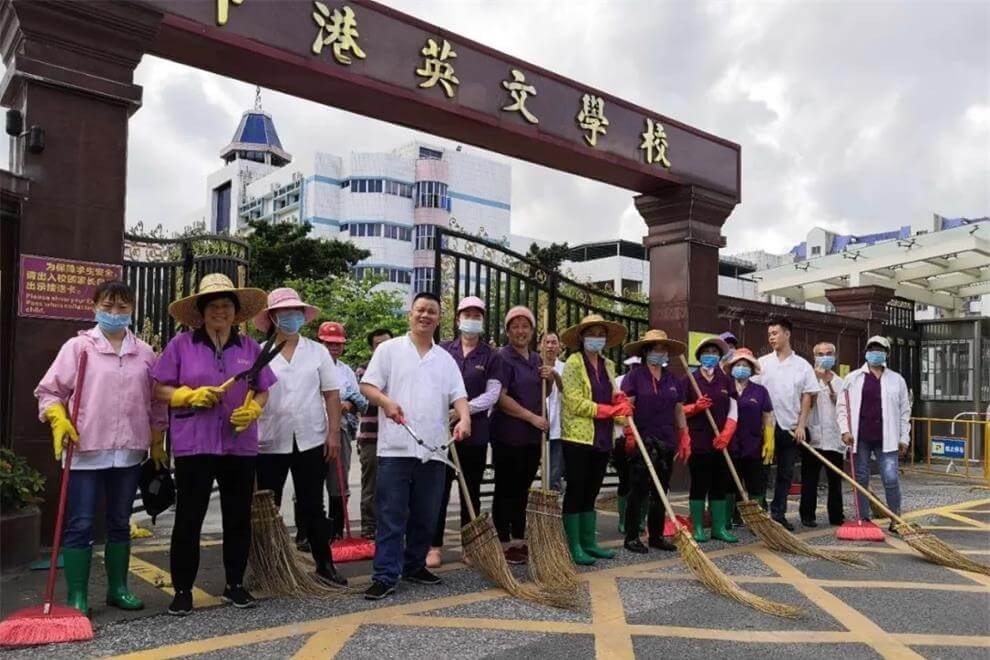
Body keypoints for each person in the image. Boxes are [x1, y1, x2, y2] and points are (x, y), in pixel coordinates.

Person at [34, 280, 168, 615]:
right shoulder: (78, 349)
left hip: (128, 453)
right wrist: (57, 417)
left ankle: (118, 590)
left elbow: (157, 403)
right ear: (94, 307)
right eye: (107, 306)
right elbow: (49, 391)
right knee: (80, 523)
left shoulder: (145, 354)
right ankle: (77, 595)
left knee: (120, 522)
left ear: (132, 310)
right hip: (85, 452)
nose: (114, 313)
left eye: (122, 307)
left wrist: (157, 441)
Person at [152, 274, 274, 615]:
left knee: (238, 517)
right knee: (189, 518)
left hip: (239, 444)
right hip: (195, 443)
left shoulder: (250, 348)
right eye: (213, 306)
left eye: (226, 306)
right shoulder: (181, 345)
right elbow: (159, 388)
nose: (220, 311)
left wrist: (253, 409)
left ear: (236, 313)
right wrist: (185, 394)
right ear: (201, 312)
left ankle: (235, 584)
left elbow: (263, 388)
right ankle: (182, 590)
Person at [359, 292, 471, 600]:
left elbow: (458, 395)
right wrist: (386, 402)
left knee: (426, 514)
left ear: (439, 318)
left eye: (432, 312)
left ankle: (414, 565)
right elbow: (367, 385)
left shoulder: (445, 359)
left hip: (434, 449)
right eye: (420, 310)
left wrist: (464, 419)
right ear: (411, 314)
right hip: (395, 449)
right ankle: (385, 574)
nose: (425, 316)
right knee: (391, 514)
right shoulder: (389, 350)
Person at [252, 288, 347, 587]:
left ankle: (324, 564)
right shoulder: (258, 352)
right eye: (284, 312)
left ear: (303, 317)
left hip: (311, 437)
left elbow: (331, 394)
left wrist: (333, 433)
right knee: (268, 505)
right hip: (269, 439)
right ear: (272, 317)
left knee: (312, 504)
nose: (290, 317)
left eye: (295, 312)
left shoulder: (317, 351)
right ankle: (266, 567)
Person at [428, 296, 504, 568]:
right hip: (441, 433)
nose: (472, 319)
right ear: (458, 319)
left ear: (483, 320)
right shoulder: (443, 350)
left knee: (470, 490)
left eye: (477, 315)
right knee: (439, 489)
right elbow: (433, 384)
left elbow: (492, 395)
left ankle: (469, 546)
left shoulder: (491, 356)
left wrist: (462, 411)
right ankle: (434, 545)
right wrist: (444, 411)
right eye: (467, 314)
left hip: (475, 433)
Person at [559, 313, 630, 565]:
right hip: (578, 437)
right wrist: (608, 410)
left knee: (592, 490)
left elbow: (612, 397)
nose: (597, 339)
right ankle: (573, 544)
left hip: (602, 437)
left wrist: (620, 405)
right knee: (576, 490)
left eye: (601, 335)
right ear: (581, 337)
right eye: (592, 334)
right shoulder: (573, 363)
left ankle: (589, 542)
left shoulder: (609, 366)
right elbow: (574, 401)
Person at [491, 306, 554, 565]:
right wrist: (530, 417)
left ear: (532, 330)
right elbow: (499, 397)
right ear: (507, 331)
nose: (520, 331)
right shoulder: (502, 358)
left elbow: (544, 393)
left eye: (525, 326)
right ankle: (503, 540)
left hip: (532, 437)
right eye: (515, 326)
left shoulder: (538, 359)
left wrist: (549, 378)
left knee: (522, 489)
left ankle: (519, 538)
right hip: (508, 433)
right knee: (505, 487)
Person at [619, 329, 688, 554]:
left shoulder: (672, 379)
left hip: (666, 440)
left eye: (663, 348)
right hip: (642, 439)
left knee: (661, 490)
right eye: (655, 348)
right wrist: (629, 433)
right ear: (646, 351)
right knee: (638, 489)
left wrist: (684, 434)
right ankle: (631, 536)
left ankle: (656, 535)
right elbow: (626, 407)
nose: (660, 352)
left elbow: (678, 409)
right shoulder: (634, 376)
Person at [836, 335, 911, 533]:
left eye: (880, 350)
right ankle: (863, 517)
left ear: (887, 354)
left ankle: (896, 517)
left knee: (891, 478)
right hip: (859, 437)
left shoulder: (897, 380)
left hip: (888, 437)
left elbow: (905, 411)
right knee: (860, 478)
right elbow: (842, 407)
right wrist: (844, 430)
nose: (875, 353)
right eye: (872, 349)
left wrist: (905, 437)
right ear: (866, 353)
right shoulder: (852, 378)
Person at [754, 316, 819, 531]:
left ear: (787, 334)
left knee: (786, 473)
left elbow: (807, 397)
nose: (771, 337)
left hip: (791, 428)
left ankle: (778, 513)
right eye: (769, 334)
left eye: (775, 333)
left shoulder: (802, 366)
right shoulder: (762, 363)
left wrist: (801, 425)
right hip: (767, 429)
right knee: (761, 472)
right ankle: (759, 513)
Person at [314, 321, 368, 544]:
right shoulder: (311, 365)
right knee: (311, 482)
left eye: (338, 345)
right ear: (321, 343)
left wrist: (348, 405)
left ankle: (336, 529)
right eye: (329, 344)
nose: (334, 348)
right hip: (314, 431)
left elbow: (362, 402)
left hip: (341, 430)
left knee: (338, 481)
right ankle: (308, 531)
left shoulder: (346, 371)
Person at [683, 336, 739, 543]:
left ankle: (719, 528)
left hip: (722, 442)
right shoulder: (689, 379)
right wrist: (694, 407)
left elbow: (734, 409)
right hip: (698, 441)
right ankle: (697, 527)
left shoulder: (725, 379)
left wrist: (727, 433)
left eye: (715, 353)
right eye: (707, 352)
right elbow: (678, 410)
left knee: (720, 484)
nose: (711, 356)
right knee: (699, 483)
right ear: (699, 357)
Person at [723, 348, 774, 529]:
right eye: (738, 365)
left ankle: (756, 523)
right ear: (731, 368)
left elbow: (767, 415)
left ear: (751, 370)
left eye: (745, 365)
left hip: (753, 444)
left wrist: (769, 440)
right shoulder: (725, 389)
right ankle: (726, 520)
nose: (742, 368)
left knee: (755, 485)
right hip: (729, 445)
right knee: (729, 484)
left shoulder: (760, 391)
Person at [801, 342, 847, 527]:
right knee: (809, 479)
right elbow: (804, 406)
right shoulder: (807, 379)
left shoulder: (841, 382)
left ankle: (836, 516)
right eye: (820, 354)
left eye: (828, 353)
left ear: (834, 357)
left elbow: (845, 408)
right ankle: (807, 515)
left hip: (834, 439)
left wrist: (830, 387)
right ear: (814, 357)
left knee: (835, 481)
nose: (824, 357)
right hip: (813, 438)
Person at [356, 328, 393, 540]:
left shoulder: (401, 367)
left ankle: (389, 526)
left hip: (396, 437)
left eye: (386, 343)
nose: (382, 348)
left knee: (393, 486)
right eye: (378, 345)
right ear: (372, 348)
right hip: (371, 438)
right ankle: (369, 528)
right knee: (371, 485)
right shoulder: (364, 370)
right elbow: (366, 399)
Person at [613, 355, 640, 535]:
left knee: (643, 482)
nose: (636, 369)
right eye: (634, 366)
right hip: (622, 437)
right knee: (625, 480)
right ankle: (623, 519)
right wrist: (625, 423)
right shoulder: (617, 382)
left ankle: (640, 520)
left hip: (644, 438)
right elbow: (612, 410)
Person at [541, 331, 566, 492]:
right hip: (536, 424)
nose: (550, 346)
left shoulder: (565, 368)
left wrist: (554, 374)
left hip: (557, 427)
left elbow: (566, 390)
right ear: (540, 345)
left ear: (559, 347)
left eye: (553, 342)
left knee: (554, 472)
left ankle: (553, 508)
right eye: (546, 342)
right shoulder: (533, 364)